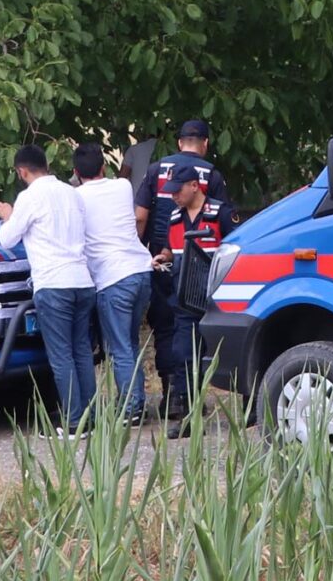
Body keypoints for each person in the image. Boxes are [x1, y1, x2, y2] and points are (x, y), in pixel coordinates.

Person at [0, 143, 95, 434]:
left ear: (21, 171)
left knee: (61, 355)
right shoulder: (71, 193)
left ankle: (74, 423)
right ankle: (92, 417)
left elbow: (8, 239)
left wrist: (8, 217)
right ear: (46, 165)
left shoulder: (29, 197)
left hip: (54, 283)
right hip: (82, 281)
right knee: (82, 352)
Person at [140, 120, 226, 398]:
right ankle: (183, 399)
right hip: (186, 274)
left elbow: (140, 216)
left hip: (183, 275)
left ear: (179, 142)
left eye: (179, 191)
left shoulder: (155, 170)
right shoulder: (211, 174)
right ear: (205, 143)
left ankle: (173, 395)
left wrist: (143, 251)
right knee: (185, 339)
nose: (174, 195)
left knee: (169, 331)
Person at [73, 140, 156, 425]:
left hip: (112, 278)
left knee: (119, 347)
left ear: (75, 171)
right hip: (141, 271)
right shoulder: (122, 187)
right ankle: (135, 401)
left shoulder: (77, 197)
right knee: (129, 343)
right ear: (104, 166)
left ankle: (132, 408)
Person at [157, 160, 228, 439]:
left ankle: (252, 413)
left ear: (194, 186)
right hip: (185, 301)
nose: (173, 195)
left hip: (217, 301)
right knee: (184, 356)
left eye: (178, 190)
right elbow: (170, 249)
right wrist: (162, 257)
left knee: (229, 353)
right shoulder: (174, 218)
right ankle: (189, 416)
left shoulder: (221, 213)